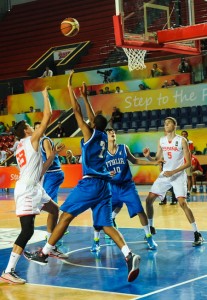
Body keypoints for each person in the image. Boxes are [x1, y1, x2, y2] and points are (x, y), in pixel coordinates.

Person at [24, 71, 141, 283]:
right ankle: (129, 255)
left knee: (65, 216)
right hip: (105, 187)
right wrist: (86, 96)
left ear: (92, 124)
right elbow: (90, 115)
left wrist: (70, 88)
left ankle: (44, 253)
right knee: (107, 225)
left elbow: (77, 111)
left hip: (90, 184)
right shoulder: (103, 135)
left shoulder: (90, 134)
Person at [0, 88, 66, 284]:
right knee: (27, 231)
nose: (32, 127)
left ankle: (50, 246)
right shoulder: (31, 140)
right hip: (28, 189)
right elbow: (47, 116)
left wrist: (52, 156)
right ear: (27, 131)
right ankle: (8, 271)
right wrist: (45, 96)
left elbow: (39, 170)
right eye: (30, 125)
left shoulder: (22, 145)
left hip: (35, 186)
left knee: (55, 211)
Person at [91, 128, 161, 253]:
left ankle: (149, 237)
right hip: (111, 188)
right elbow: (97, 170)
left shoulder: (124, 148)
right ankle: (96, 241)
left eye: (113, 132)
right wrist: (106, 174)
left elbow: (135, 160)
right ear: (105, 137)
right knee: (100, 213)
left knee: (140, 211)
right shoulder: (102, 153)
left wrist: (153, 163)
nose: (113, 133)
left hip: (127, 186)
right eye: (109, 132)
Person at [143, 117, 204, 246]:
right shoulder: (161, 141)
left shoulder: (182, 141)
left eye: (168, 123)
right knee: (148, 200)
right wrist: (148, 156)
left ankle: (197, 233)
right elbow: (157, 159)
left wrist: (173, 171)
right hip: (165, 175)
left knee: (182, 203)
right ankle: (151, 227)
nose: (166, 125)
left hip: (178, 175)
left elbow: (188, 164)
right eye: (164, 123)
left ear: (175, 125)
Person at [34, 121, 65, 203]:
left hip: (53, 172)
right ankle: (55, 214)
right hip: (49, 173)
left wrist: (39, 171)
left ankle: (56, 214)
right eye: (36, 128)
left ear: (43, 129)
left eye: (39, 128)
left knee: (48, 200)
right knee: (48, 199)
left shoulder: (45, 141)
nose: (38, 130)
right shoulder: (39, 142)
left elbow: (50, 160)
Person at [181, 130, 194, 196]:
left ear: (187, 135)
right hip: (181, 163)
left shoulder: (190, 142)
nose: (183, 135)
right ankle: (183, 191)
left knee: (189, 177)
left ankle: (188, 191)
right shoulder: (179, 142)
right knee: (182, 178)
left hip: (188, 162)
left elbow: (190, 152)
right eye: (182, 134)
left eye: (185, 134)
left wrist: (189, 162)